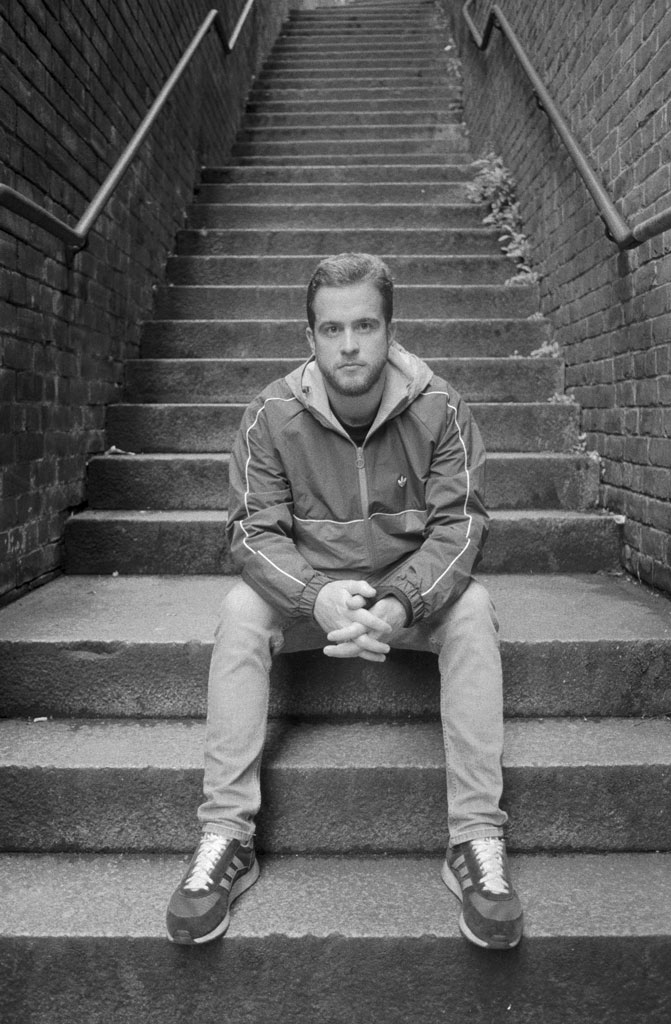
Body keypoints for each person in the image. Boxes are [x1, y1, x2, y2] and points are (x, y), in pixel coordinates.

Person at [166, 252, 524, 950]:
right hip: (310, 605)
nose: (350, 344)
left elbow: (460, 527)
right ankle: (225, 837)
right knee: (241, 611)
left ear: (390, 330)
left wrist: (397, 604)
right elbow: (251, 531)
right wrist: (315, 595)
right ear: (309, 338)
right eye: (331, 329)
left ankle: (477, 843)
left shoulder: (441, 408)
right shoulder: (268, 416)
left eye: (364, 325)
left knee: (475, 609)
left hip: (407, 602)